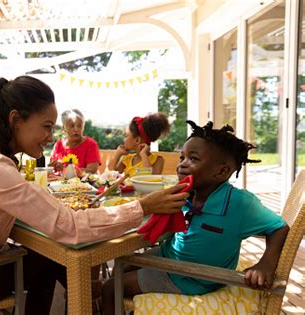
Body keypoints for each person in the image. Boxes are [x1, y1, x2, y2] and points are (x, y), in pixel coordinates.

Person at [0, 76, 189, 315]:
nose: (50, 136)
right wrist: (142, 207)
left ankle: (91, 303)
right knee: (52, 257)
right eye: (46, 126)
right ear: (15, 119)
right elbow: (71, 228)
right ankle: (92, 303)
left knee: (45, 257)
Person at [101, 120, 289, 315]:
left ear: (222, 171)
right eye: (182, 157)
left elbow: (279, 227)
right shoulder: (188, 192)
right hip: (172, 257)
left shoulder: (239, 203)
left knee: (110, 287)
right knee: (121, 268)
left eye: (193, 159)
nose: (182, 164)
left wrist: (266, 263)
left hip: (189, 278)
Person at [108, 112, 170, 176]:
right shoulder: (127, 159)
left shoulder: (158, 160)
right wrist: (117, 154)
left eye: (126, 136)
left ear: (137, 140)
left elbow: (150, 179)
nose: (124, 139)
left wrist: (143, 154)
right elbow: (111, 177)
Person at [49, 109, 101, 174]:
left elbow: (92, 170)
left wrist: (65, 169)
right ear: (63, 128)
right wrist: (52, 166)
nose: (76, 129)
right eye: (72, 126)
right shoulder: (58, 145)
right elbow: (51, 168)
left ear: (83, 127)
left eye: (79, 126)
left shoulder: (90, 144)